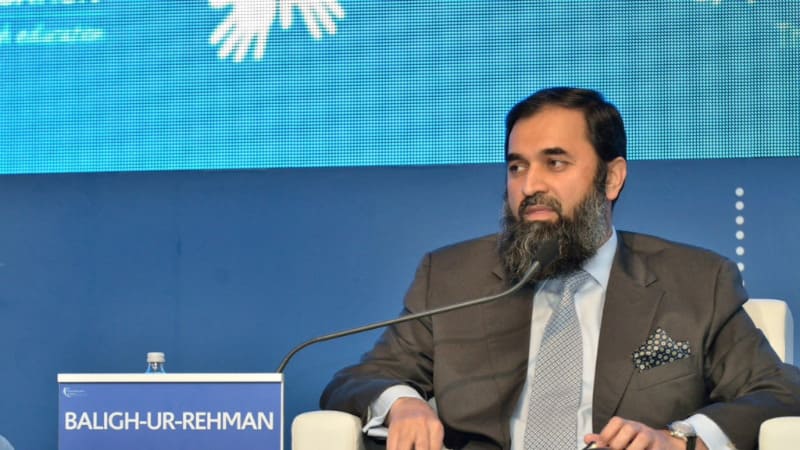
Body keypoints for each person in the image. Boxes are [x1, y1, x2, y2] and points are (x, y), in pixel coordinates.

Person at [320, 87, 800, 450]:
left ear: (611, 178)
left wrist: (678, 439)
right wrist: (402, 403)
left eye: (555, 163)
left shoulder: (695, 281)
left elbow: (778, 392)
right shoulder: (452, 278)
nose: (530, 185)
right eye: (516, 167)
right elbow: (360, 379)